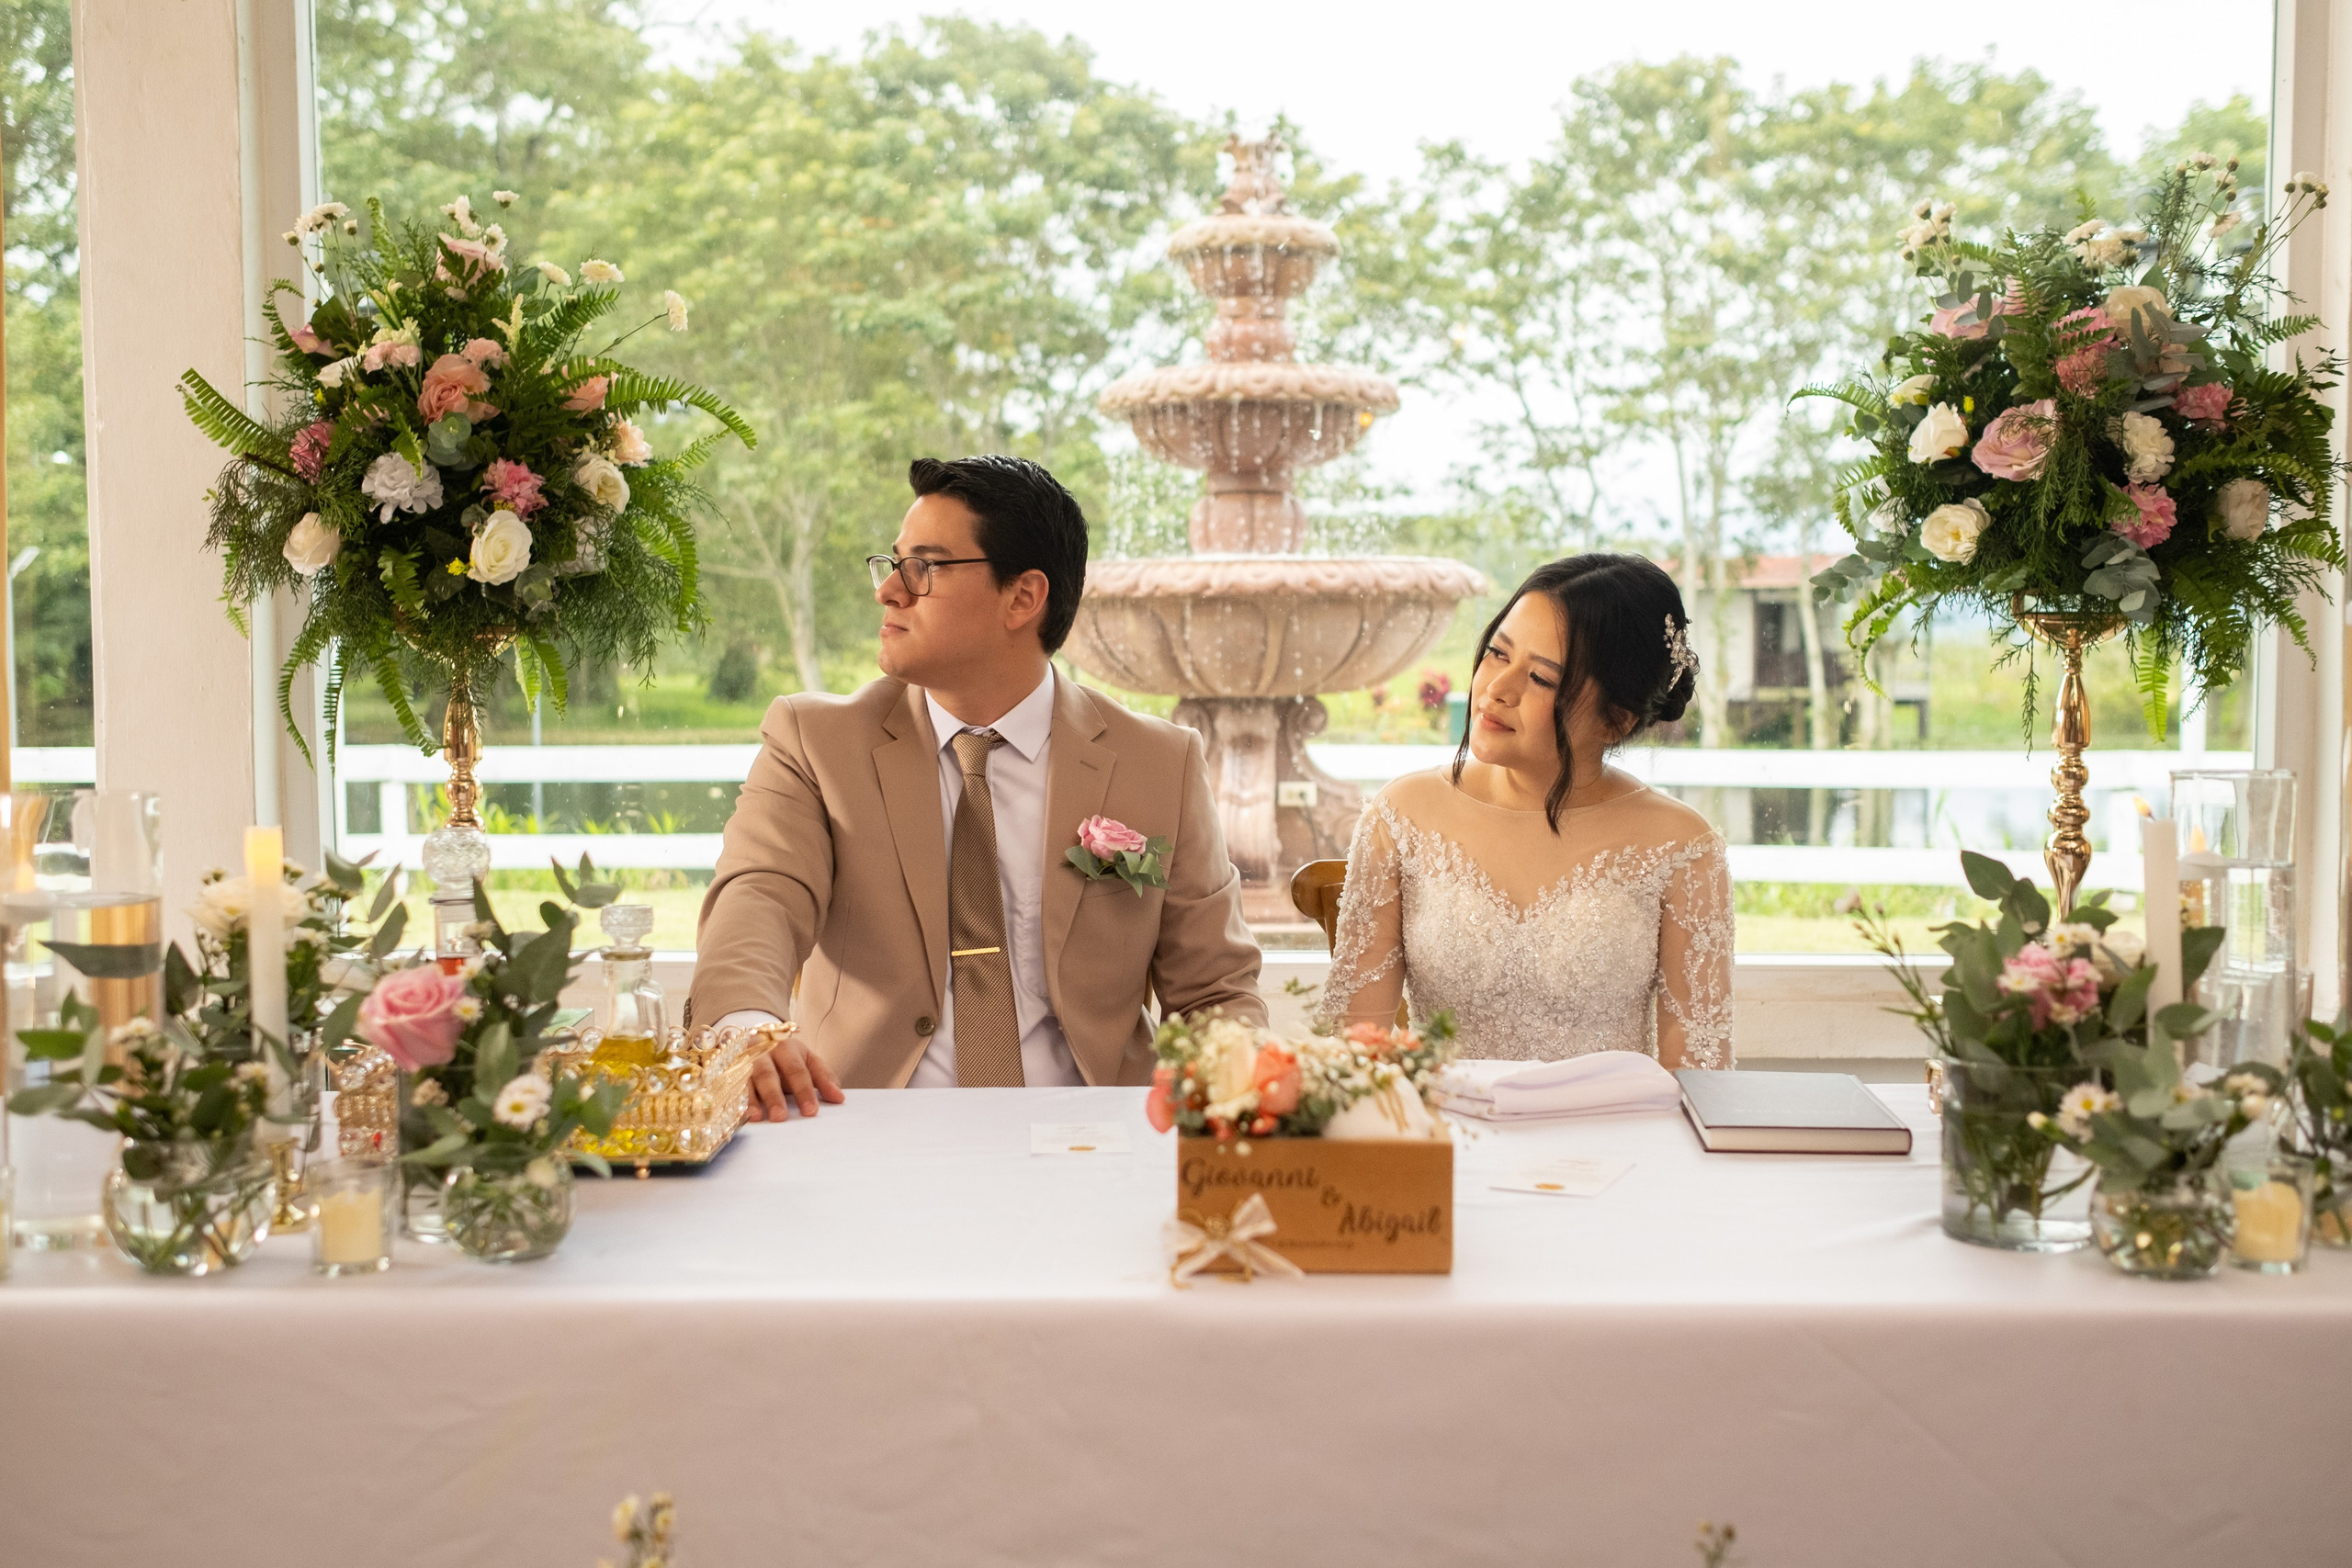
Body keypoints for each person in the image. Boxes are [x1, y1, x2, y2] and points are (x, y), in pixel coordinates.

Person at [691, 455, 1267, 1120]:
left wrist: (1225, 1094)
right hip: (864, 1131)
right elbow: (757, 898)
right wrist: (746, 1024)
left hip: (1091, 1140)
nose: (890, 591)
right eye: (894, 562)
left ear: (1023, 597)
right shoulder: (816, 743)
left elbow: (1215, 992)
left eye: (924, 568)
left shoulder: (1158, 761)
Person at [1317, 554, 1734, 1069]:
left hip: (1613, 1141)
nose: (1497, 688)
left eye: (1540, 679)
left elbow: (1701, 1074)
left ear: (1616, 720)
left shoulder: (1681, 846)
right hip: (1447, 1139)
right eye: (1497, 653)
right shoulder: (1402, 816)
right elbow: (1349, 1054)